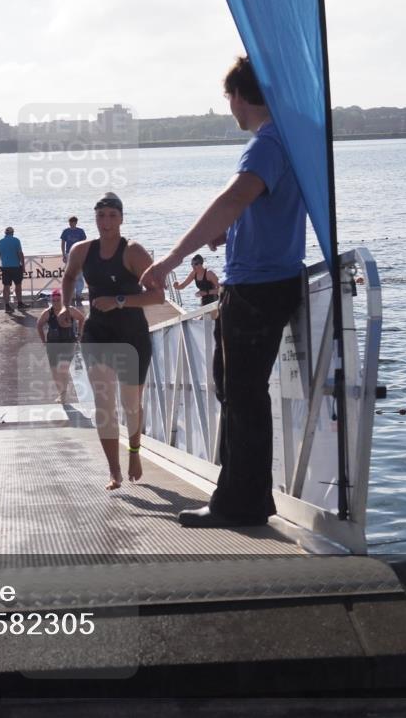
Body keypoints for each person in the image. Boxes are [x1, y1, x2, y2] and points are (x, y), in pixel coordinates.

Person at [141, 56, 306, 528]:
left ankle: (241, 501)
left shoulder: (265, 145)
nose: (229, 107)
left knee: (243, 394)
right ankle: (243, 494)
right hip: (266, 281)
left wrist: (170, 260)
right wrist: (228, 235)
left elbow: (233, 199)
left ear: (239, 94)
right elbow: (252, 210)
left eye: (228, 98)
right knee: (235, 390)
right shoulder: (281, 142)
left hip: (257, 288)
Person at [61, 192, 165, 490]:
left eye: (111, 216)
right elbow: (69, 278)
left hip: (132, 335)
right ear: (94, 219)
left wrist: (119, 300)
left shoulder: (133, 252)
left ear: (121, 218)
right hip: (97, 334)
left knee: (130, 404)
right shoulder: (81, 250)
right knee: (104, 405)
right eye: (100, 216)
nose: (105, 222)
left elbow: (158, 296)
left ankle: (133, 453)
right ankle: (113, 470)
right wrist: (66, 306)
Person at [37, 288, 85, 403]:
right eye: (54, 300)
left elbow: (82, 318)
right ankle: (61, 392)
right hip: (53, 344)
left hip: (68, 343)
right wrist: (43, 341)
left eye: (58, 300)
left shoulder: (70, 310)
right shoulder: (48, 312)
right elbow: (39, 325)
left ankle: (63, 395)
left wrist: (79, 334)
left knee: (63, 369)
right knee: (54, 371)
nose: (56, 303)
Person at [0, 226, 27, 312]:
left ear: (5, 233)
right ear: (12, 233)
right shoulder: (16, 240)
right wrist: (23, 266)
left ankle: (7, 306)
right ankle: (20, 303)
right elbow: (20, 254)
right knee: (18, 285)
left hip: (5, 267)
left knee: (6, 286)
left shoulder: (0, 242)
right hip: (16, 266)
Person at [60, 215, 88, 304]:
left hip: (78, 254)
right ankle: (70, 295)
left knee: (79, 275)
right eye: (70, 222)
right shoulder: (66, 231)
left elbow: (84, 243)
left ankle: (78, 294)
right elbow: (63, 242)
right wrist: (63, 254)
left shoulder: (80, 231)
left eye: (73, 222)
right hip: (69, 253)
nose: (71, 224)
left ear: (76, 222)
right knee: (69, 274)